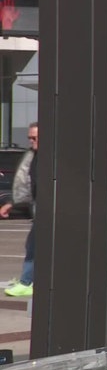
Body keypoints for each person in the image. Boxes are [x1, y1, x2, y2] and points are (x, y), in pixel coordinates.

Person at [3, 123, 38, 297]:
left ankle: (27, 282)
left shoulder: (48, 158)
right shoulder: (33, 156)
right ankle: (28, 280)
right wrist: (11, 203)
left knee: (34, 248)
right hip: (39, 211)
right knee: (33, 246)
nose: (31, 141)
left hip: (50, 212)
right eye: (30, 138)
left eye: (35, 138)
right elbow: (25, 185)